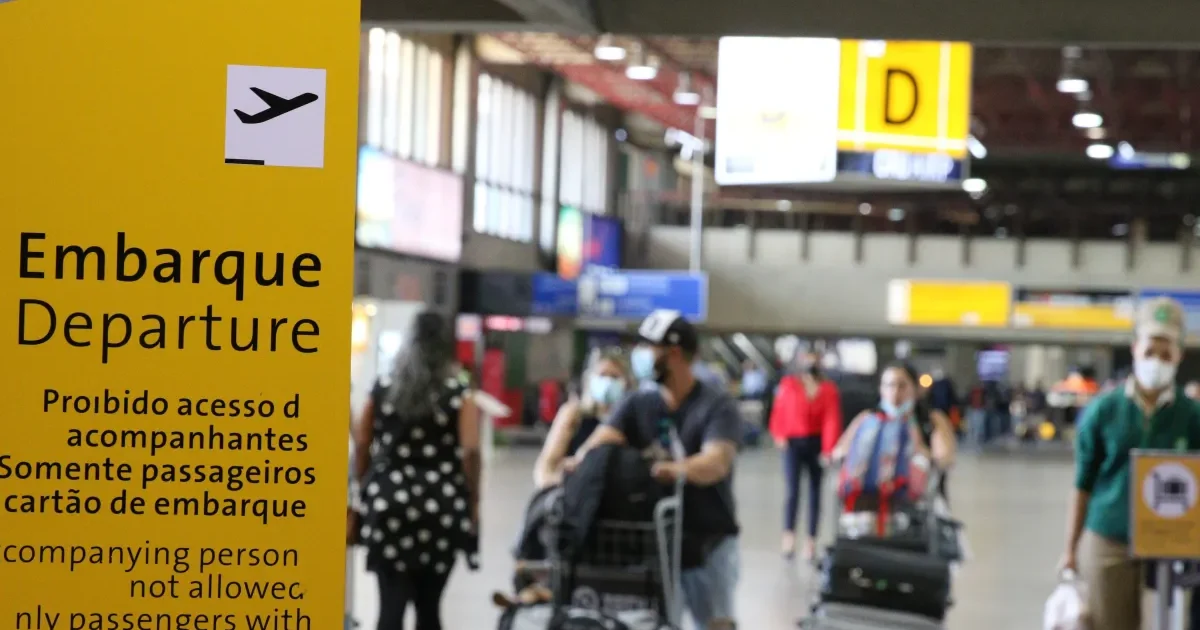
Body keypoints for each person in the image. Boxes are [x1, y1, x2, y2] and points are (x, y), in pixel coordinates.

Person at [576, 310, 742, 630]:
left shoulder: (716, 405)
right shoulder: (639, 403)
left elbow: (716, 462)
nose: (640, 355)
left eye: (648, 347)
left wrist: (670, 470)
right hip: (657, 544)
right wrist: (580, 461)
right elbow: (600, 444)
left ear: (674, 353)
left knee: (715, 624)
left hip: (709, 543)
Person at [1059, 297, 1200, 630]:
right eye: (1150, 350)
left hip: (1170, 544)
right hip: (1109, 539)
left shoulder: (1191, 417)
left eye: (1167, 354)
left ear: (1179, 355)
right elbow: (1083, 484)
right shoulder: (1103, 411)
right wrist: (1070, 549)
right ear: (1135, 348)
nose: (1157, 361)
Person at [350, 312, 481, 630]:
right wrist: (472, 498)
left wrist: (365, 480)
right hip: (442, 505)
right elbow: (471, 450)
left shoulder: (383, 388)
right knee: (430, 609)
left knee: (390, 609)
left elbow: (363, 440)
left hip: (389, 503)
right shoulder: (458, 394)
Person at [768, 351, 843, 560]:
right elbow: (779, 411)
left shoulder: (828, 390)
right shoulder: (789, 384)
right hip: (792, 442)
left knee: (815, 492)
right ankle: (788, 536)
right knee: (792, 490)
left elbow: (831, 420)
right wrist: (779, 433)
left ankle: (811, 540)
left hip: (816, 442)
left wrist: (828, 450)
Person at [832, 362, 957, 481]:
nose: (895, 392)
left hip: (919, 499)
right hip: (870, 497)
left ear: (915, 388)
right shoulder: (867, 418)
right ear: (881, 389)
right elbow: (839, 452)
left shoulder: (932, 419)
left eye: (902, 386)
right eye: (889, 385)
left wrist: (918, 448)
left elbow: (944, 458)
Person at [533, 348, 633, 489]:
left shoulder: (630, 420)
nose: (608, 382)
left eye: (615, 377)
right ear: (590, 379)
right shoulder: (573, 414)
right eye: (602, 375)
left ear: (626, 383)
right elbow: (545, 468)